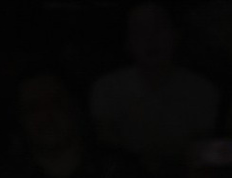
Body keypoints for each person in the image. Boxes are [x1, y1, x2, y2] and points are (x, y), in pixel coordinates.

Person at [91, 4, 223, 164]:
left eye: (158, 27)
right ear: (128, 42)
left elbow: (207, 155)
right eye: (140, 30)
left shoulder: (203, 91)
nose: (150, 38)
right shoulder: (106, 90)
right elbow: (108, 155)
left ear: (176, 34)